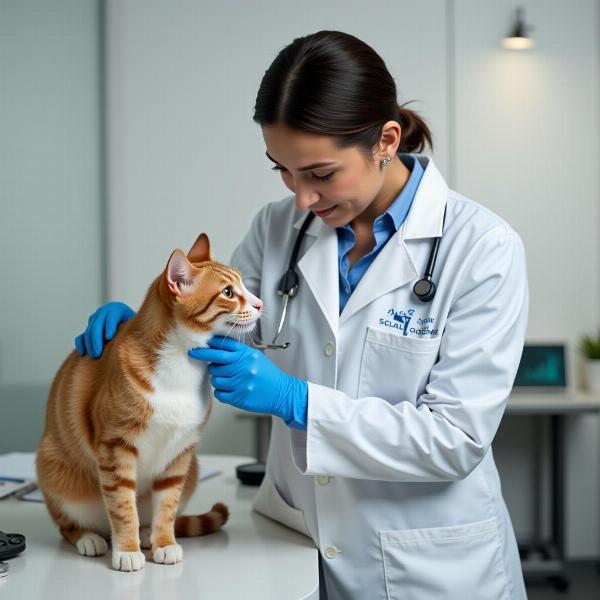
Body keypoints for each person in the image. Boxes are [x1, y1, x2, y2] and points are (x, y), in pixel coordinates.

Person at [76, 30, 529, 600]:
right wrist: (151, 328)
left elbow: (455, 439)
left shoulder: (483, 248)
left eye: (320, 173)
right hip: (297, 542)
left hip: (431, 565)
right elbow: (226, 334)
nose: (302, 200)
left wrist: (297, 402)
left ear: (386, 140)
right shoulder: (276, 228)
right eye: (282, 171)